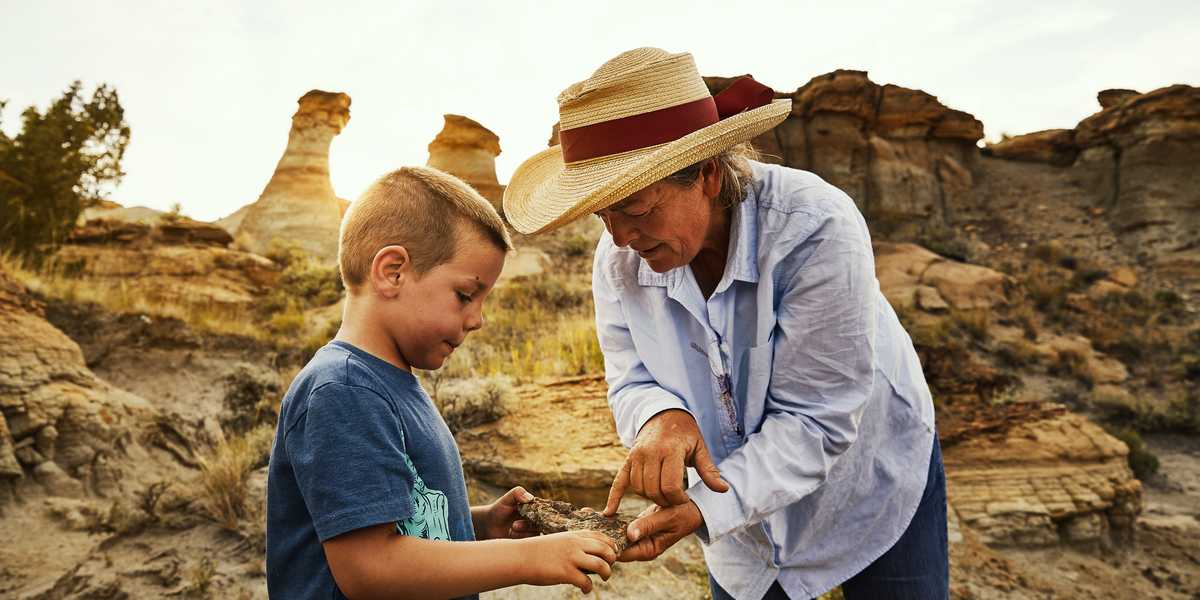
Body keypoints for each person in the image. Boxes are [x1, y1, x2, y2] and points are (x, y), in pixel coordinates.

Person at [503, 48, 948, 600]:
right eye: (603, 214)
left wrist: (701, 506)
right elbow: (630, 376)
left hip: (869, 482)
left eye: (636, 209)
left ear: (708, 174)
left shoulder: (815, 228)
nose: (618, 237)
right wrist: (661, 417)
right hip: (738, 528)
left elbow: (817, 420)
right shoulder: (617, 258)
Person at [266, 166, 618, 599]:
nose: (477, 320)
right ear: (392, 272)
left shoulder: (393, 385)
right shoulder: (343, 390)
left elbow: (403, 521)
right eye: (465, 295)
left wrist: (478, 524)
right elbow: (370, 566)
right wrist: (533, 558)